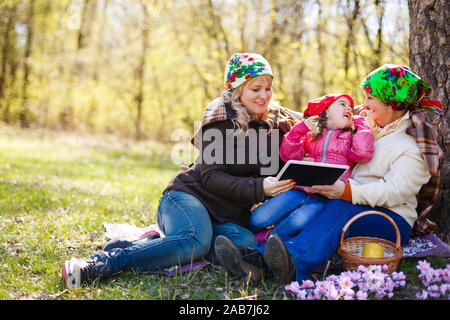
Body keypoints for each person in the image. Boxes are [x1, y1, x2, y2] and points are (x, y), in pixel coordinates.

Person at [61, 53, 301, 288]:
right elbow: (212, 177)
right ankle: (103, 263)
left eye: (268, 88)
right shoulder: (220, 118)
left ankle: (150, 244)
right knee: (194, 240)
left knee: (245, 244)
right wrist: (259, 187)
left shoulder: (276, 122)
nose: (264, 96)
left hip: (224, 215)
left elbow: (315, 117)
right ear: (237, 90)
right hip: (188, 197)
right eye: (255, 89)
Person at [215, 64, 443, 284]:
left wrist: (346, 191)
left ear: (391, 105)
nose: (364, 105)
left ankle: (294, 264)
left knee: (338, 209)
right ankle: (257, 261)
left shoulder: (410, 147)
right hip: (352, 204)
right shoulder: (369, 128)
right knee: (319, 208)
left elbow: (394, 193)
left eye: (371, 99)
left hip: (391, 219)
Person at [248, 93, 374, 239]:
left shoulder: (351, 135)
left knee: (298, 221)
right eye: (342, 104)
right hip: (299, 188)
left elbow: (363, 153)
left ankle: (265, 239)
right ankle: (248, 235)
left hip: (325, 196)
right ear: (326, 111)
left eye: (351, 107)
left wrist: (361, 123)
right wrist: (300, 128)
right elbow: (288, 155)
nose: (349, 109)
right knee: (258, 218)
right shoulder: (311, 133)